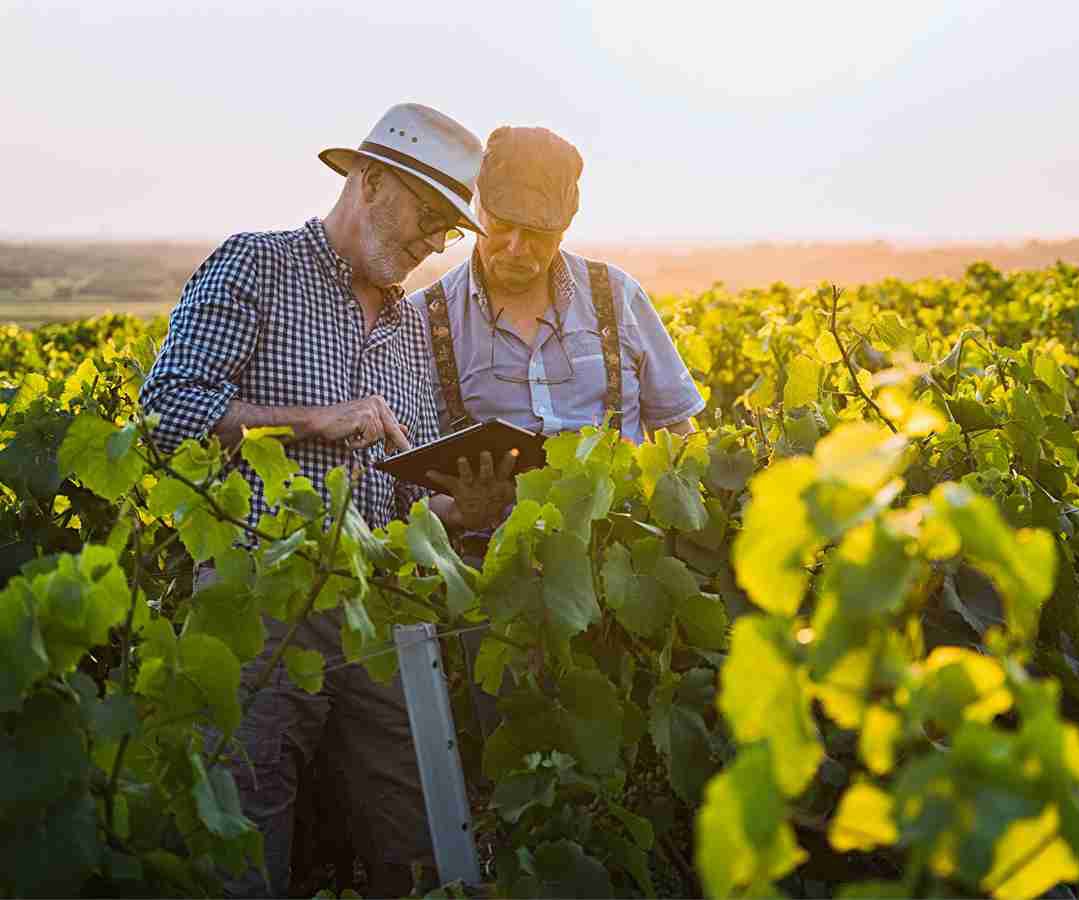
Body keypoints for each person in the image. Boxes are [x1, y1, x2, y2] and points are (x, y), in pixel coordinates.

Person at [139, 103, 507, 897]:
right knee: (244, 831)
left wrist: (464, 511)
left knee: (420, 834)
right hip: (262, 598)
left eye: (450, 229)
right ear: (369, 181)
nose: (434, 243)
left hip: (386, 607)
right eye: (430, 217)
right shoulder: (256, 265)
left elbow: (410, 500)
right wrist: (313, 421)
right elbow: (166, 417)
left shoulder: (416, 329)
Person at [411, 125, 706, 546]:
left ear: (565, 227)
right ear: (478, 209)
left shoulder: (618, 296)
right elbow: (404, 490)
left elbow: (679, 433)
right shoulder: (424, 317)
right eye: (503, 226)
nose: (515, 246)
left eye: (536, 233)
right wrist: (457, 509)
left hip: (622, 547)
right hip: (487, 568)